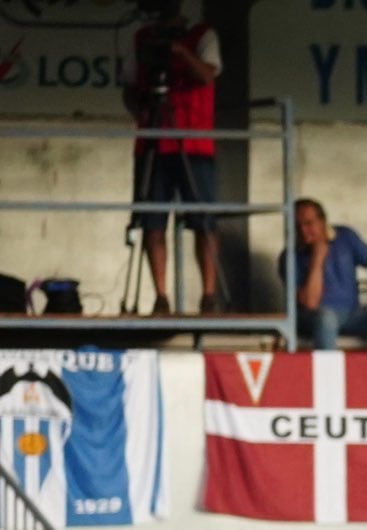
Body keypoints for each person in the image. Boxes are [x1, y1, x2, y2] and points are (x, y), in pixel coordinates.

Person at [122, 0, 223, 313]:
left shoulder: (202, 35)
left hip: (193, 143)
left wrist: (180, 51)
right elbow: (129, 85)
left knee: (204, 222)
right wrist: (138, 106)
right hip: (153, 139)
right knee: (153, 222)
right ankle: (161, 296)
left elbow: (208, 75)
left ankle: (208, 295)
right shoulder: (141, 38)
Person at [280, 199, 367, 351]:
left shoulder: (345, 236)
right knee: (326, 317)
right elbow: (310, 303)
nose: (303, 231)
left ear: (323, 221)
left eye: (309, 223)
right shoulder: (289, 256)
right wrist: (317, 259)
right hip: (312, 319)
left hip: (351, 314)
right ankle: (328, 374)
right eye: (297, 226)